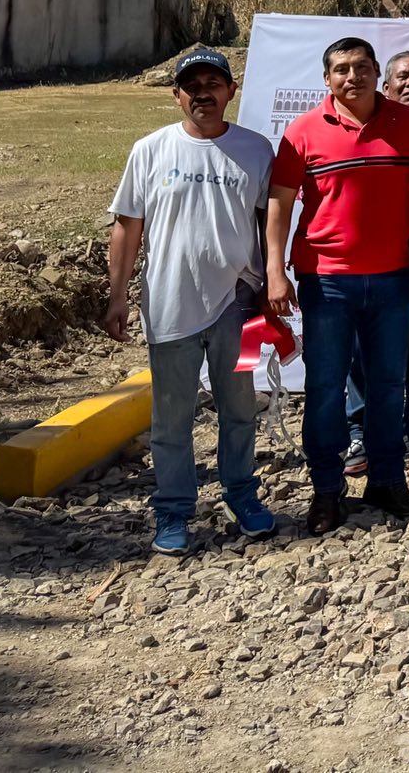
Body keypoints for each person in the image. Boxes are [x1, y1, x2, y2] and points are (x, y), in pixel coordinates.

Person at [267, 37, 409, 536]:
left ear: (375, 74)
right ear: (327, 79)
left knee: (389, 387)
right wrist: (275, 270)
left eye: (362, 67)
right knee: (325, 389)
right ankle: (327, 490)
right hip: (326, 281)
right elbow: (279, 205)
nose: (353, 77)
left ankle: (387, 481)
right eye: (342, 69)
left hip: (393, 278)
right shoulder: (303, 133)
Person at [105, 49, 276, 554]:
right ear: (177, 94)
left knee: (239, 409)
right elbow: (127, 226)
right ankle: (174, 511)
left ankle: (242, 496)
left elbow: (270, 225)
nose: (203, 92)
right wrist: (118, 296)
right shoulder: (151, 150)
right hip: (169, 304)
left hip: (238, 307)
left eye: (213, 82)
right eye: (192, 84)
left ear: (231, 90)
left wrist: (271, 283)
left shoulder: (256, 150)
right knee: (172, 419)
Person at [341, 49, 409, 480]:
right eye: (403, 77)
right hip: (368, 251)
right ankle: (358, 428)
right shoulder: (365, 125)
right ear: (385, 86)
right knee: (360, 346)